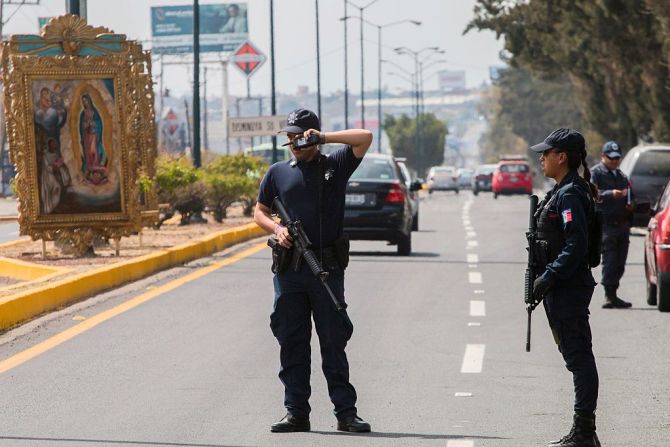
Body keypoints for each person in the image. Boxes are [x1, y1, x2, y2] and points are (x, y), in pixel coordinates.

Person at [253, 108, 373, 433]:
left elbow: (365, 138)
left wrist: (324, 138)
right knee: (292, 341)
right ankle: (296, 413)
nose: (294, 142)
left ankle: (346, 415)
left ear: (313, 136)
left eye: (300, 135)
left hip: (326, 268)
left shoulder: (334, 164)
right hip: (290, 271)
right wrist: (276, 231)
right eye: (290, 137)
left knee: (333, 340)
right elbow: (259, 210)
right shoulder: (278, 172)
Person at [529, 128, 601, 447]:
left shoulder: (570, 193)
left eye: (547, 152)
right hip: (563, 286)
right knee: (575, 356)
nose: (541, 157)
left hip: (568, 286)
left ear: (563, 157)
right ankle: (584, 431)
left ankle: (584, 432)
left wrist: (550, 276)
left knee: (579, 357)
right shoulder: (562, 190)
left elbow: (576, 243)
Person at [590, 141, 633, 309]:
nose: (615, 161)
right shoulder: (596, 173)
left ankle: (614, 293)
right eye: (611, 158)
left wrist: (632, 203)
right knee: (610, 259)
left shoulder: (622, 176)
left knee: (620, 261)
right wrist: (610, 194)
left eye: (617, 158)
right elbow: (593, 194)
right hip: (605, 224)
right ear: (603, 156)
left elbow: (630, 195)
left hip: (621, 224)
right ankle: (609, 295)